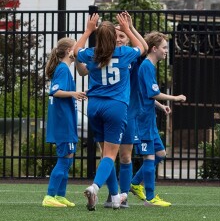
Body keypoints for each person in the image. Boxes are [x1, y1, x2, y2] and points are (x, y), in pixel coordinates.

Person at [74, 13, 145, 211]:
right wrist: (129, 29)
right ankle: (95, 187)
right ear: (114, 38)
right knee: (110, 155)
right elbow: (144, 47)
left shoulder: (92, 54)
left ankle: (115, 197)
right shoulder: (125, 53)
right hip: (116, 106)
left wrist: (88, 29)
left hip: (94, 106)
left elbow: (75, 50)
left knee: (107, 153)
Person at [131, 31, 186, 207]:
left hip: (149, 117)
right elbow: (153, 92)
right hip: (142, 118)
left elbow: (147, 94)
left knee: (160, 154)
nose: (166, 51)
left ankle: (134, 183)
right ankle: (150, 198)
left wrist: (161, 106)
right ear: (154, 49)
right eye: (164, 48)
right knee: (149, 158)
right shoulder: (146, 66)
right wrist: (175, 97)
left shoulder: (149, 66)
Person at [42, 37, 87, 208]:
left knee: (68, 159)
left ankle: (60, 196)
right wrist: (73, 94)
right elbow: (55, 91)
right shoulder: (62, 69)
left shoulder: (66, 69)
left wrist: (77, 93)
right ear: (70, 51)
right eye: (76, 47)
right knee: (63, 159)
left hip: (67, 121)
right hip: (62, 122)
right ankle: (49, 196)